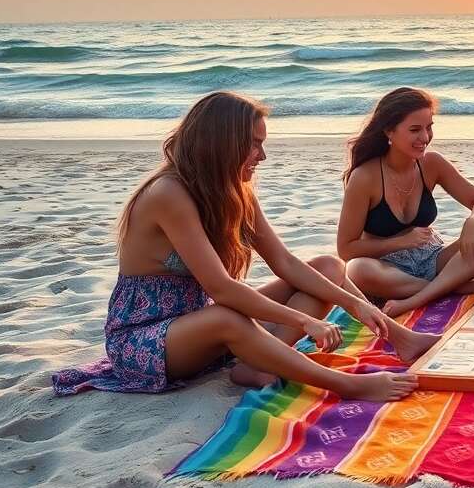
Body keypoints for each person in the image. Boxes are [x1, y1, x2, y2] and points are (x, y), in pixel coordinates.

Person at [52, 92, 436, 402]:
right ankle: (346, 386)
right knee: (227, 318)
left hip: (196, 322)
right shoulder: (168, 193)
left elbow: (284, 261)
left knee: (326, 266)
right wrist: (303, 320)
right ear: (222, 143)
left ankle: (389, 339)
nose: (262, 156)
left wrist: (354, 304)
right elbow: (221, 288)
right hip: (144, 341)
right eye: (254, 145)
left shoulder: (234, 192)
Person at [338, 87, 474, 317]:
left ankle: (427, 293)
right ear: (389, 131)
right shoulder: (365, 177)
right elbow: (346, 249)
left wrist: (472, 222)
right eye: (415, 130)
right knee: (356, 269)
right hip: (387, 269)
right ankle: (451, 289)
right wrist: (400, 242)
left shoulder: (432, 163)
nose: (425, 137)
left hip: (433, 259)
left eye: (429, 127)